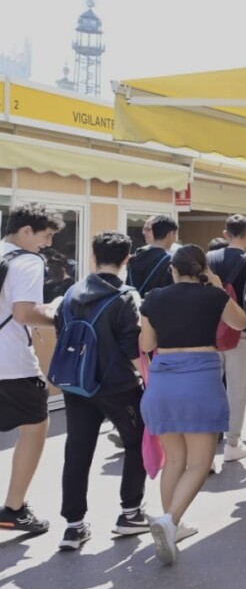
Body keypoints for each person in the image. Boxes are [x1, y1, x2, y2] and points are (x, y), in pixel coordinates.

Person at [140, 245, 246, 565]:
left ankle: (171, 523)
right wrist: (217, 285)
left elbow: (146, 344)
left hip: (163, 381)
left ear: (172, 269)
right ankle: (170, 521)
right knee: (200, 463)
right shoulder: (213, 296)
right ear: (203, 270)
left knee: (174, 460)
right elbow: (241, 322)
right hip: (200, 380)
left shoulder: (154, 298)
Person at [55, 232, 150, 550]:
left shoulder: (72, 293)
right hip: (118, 386)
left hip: (77, 384)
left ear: (93, 256)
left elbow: (61, 329)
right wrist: (150, 378)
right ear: (127, 259)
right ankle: (130, 513)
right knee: (137, 442)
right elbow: (131, 345)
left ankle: (73, 526)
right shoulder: (125, 296)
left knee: (77, 450)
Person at [0, 203, 64, 534]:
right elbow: (24, 313)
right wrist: (57, 316)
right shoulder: (27, 261)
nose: (48, 244)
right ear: (26, 231)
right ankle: (13, 509)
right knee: (36, 426)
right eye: (46, 236)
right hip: (12, 363)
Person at [206, 214, 246, 466]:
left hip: (210, 333)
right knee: (237, 391)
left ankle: (206, 450)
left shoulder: (209, 259)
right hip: (241, 332)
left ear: (225, 233)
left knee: (210, 390)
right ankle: (232, 444)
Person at [127, 214, 178, 296]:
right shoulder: (170, 262)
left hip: (134, 302)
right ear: (170, 234)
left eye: (147, 229)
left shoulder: (135, 258)